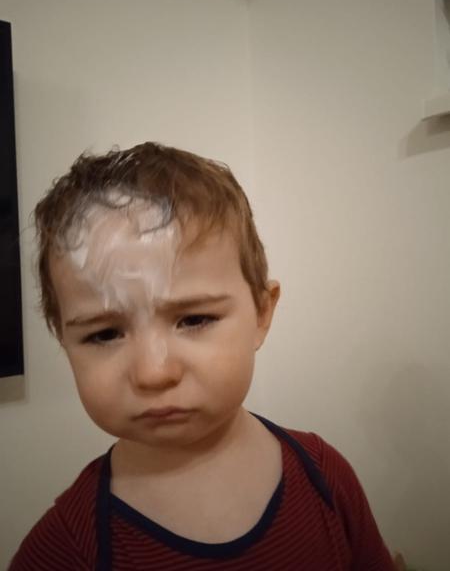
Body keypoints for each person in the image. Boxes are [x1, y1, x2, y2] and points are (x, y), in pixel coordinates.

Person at [10, 142, 396, 570]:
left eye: (194, 319)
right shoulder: (63, 551)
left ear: (261, 313)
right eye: (104, 334)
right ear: (63, 340)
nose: (154, 373)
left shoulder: (324, 474)